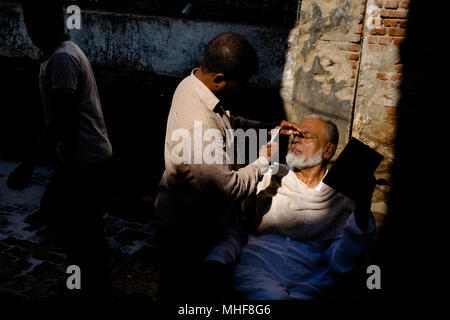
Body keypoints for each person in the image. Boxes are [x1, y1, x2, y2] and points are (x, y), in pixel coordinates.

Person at [154, 32, 300, 300]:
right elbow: (229, 188)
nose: (240, 90)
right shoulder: (199, 125)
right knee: (183, 293)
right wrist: (263, 160)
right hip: (186, 229)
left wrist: (268, 129)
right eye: (239, 84)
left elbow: (227, 123)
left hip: (189, 216)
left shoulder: (193, 83)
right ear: (219, 79)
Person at [7, 0, 113, 300]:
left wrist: (28, 163)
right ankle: (87, 281)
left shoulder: (62, 59)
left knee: (63, 217)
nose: (31, 31)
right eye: (28, 25)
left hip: (85, 160)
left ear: (51, 24)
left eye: (34, 25)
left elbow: (61, 119)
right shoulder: (59, 55)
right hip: (83, 156)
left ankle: (86, 282)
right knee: (82, 226)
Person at [205, 114, 377, 300]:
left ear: (328, 150)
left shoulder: (342, 199)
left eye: (306, 136)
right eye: (296, 135)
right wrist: (217, 258)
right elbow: (239, 229)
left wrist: (362, 208)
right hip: (259, 271)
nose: (296, 140)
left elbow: (343, 263)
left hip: (313, 281)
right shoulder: (270, 177)